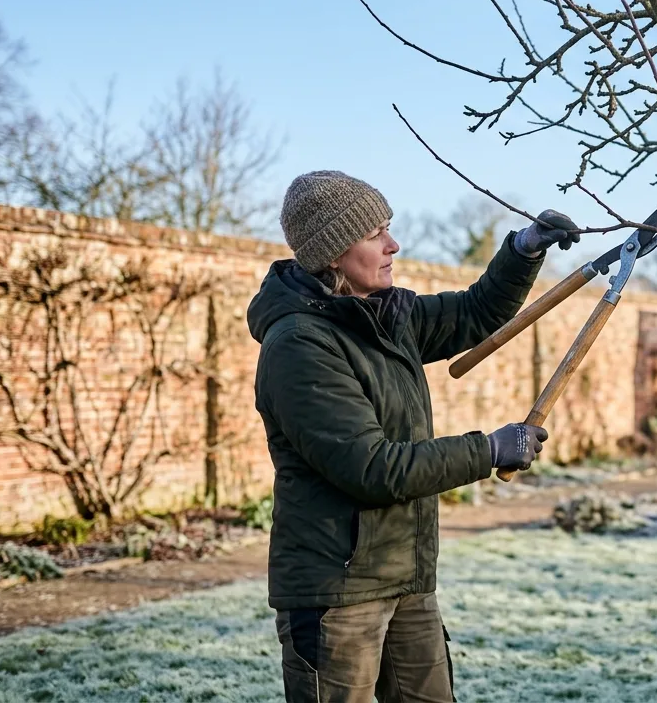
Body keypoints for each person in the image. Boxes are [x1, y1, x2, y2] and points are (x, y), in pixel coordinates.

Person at [246, 170, 580, 703]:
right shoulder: (299, 345)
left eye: (388, 228)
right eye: (375, 233)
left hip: (405, 575)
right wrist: (488, 449)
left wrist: (524, 250)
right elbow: (374, 468)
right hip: (337, 591)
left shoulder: (385, 315)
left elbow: (474, 313)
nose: (393, 244)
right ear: (333, 252)